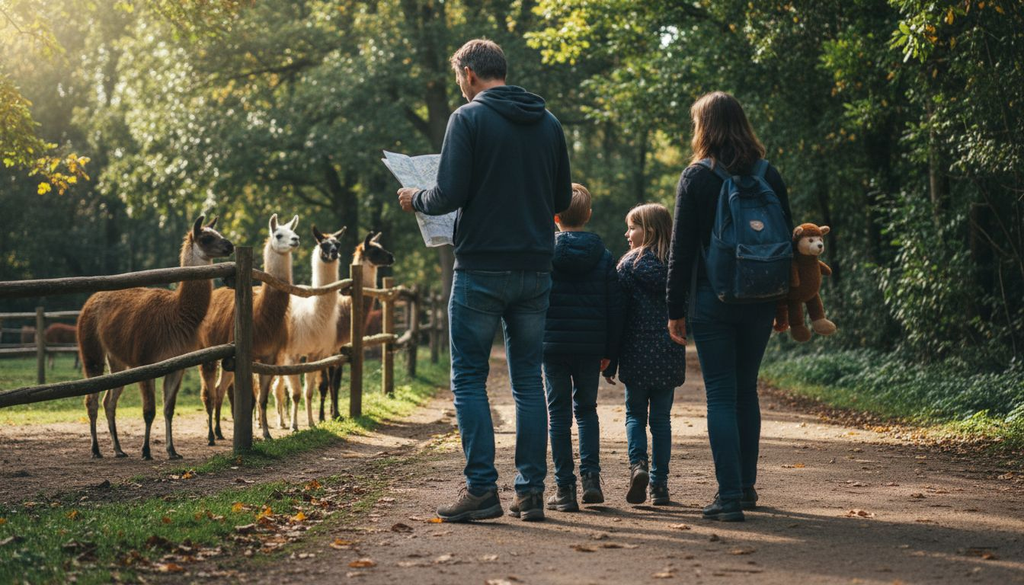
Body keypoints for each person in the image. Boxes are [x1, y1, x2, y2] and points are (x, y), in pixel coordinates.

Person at [397, 39, 573, 522]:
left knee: (469, 378)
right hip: (536, 267)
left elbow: (449, 192)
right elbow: (561, 195)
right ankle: (531, 490)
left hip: (479, 268)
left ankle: (481, 490)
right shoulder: (549, 122)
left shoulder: (467, 119)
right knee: (527, 383)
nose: (460, 87)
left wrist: (417, 198)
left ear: (470, 73)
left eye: (459, 79)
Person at [665, 91, 794, 522]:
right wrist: (783, 301)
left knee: (720, 394)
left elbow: (681, 250)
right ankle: (746, 486)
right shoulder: (767, 173)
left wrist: (674, 308)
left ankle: (728, 497)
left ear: (704, 127)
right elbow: (788, 243)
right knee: (746, 390)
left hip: (712, 299)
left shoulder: (697, 177)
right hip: (760, 298)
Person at [542, 183, 623, 512]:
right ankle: (591, 479)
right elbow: (615, 307)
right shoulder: (603, 257)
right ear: (588, 215)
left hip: (552, 346)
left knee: (557, 417)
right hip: (591, 348)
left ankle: (564, 488)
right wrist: (610, 353)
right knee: (586, 411)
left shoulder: (544, 253)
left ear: (555, 217)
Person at [605, 203, 686, 506]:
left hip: (635, 353)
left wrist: (610, 358)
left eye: (632, 227)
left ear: (648, 231)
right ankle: (660, 485)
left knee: (635, 416)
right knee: (662, 421)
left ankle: (638, 465)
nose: (627, 234)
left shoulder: (627, 267)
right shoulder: (676, 270)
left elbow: (617, 316)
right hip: (669, 352)